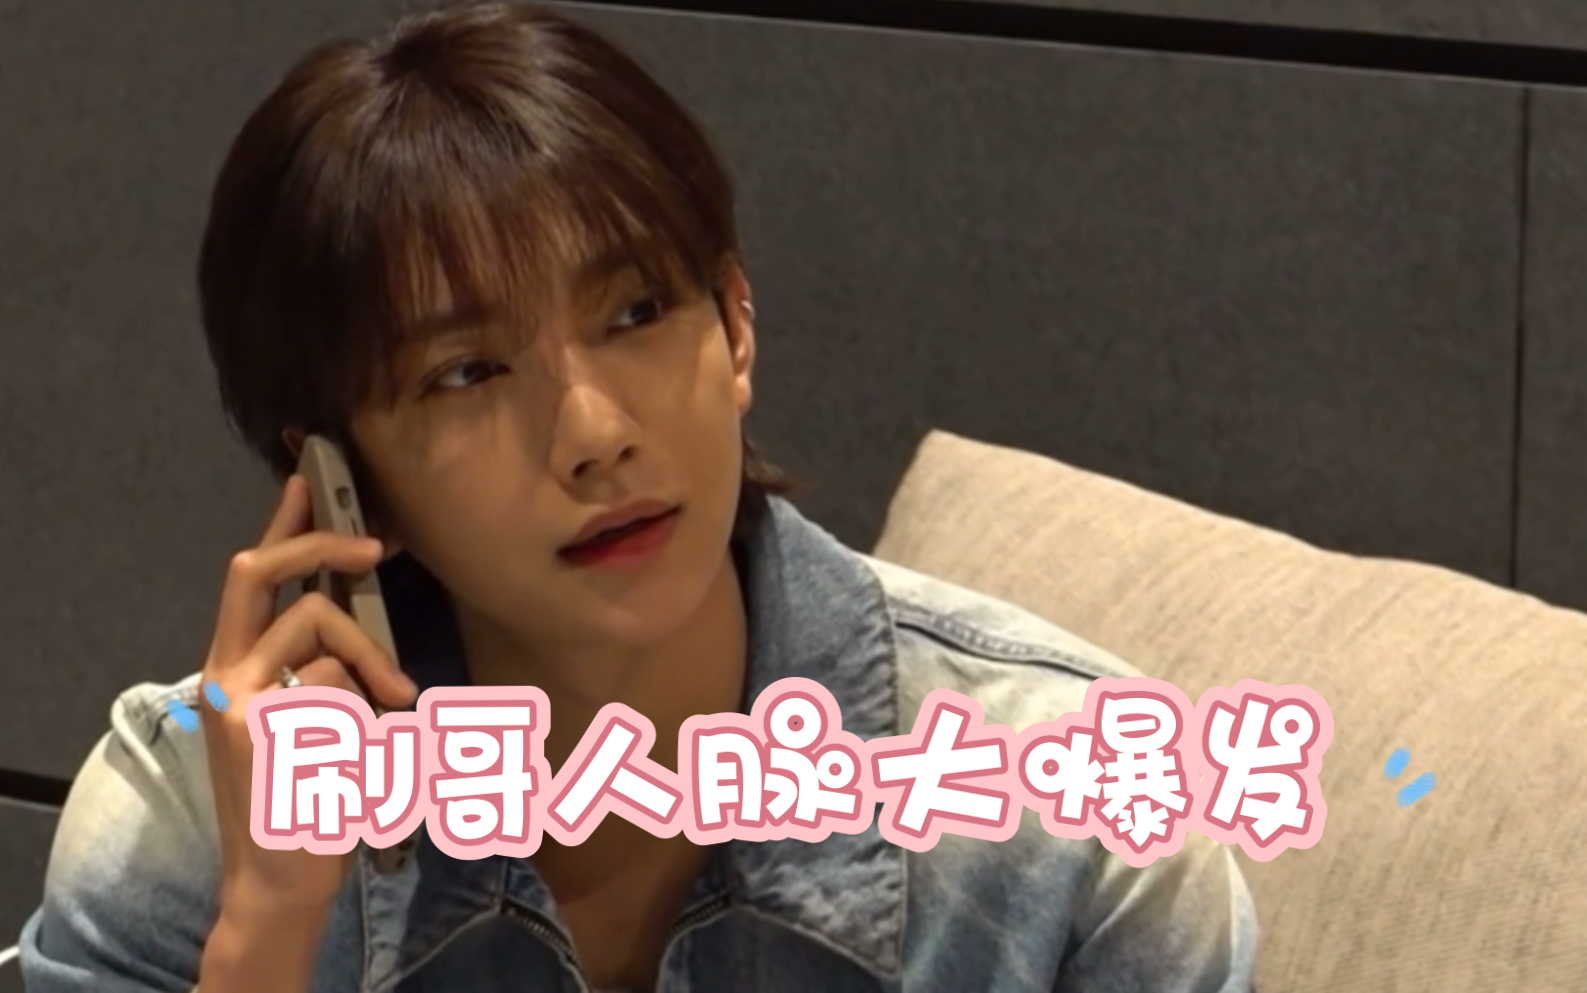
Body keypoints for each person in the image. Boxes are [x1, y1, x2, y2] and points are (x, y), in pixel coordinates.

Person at [18, 2, 1257, 991]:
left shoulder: (1083, 828)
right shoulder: (187, 829)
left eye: (636, 312)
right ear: (344, 480)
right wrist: (267, 938)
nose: (596, 437)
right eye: (465, 372)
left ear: (736, 324)